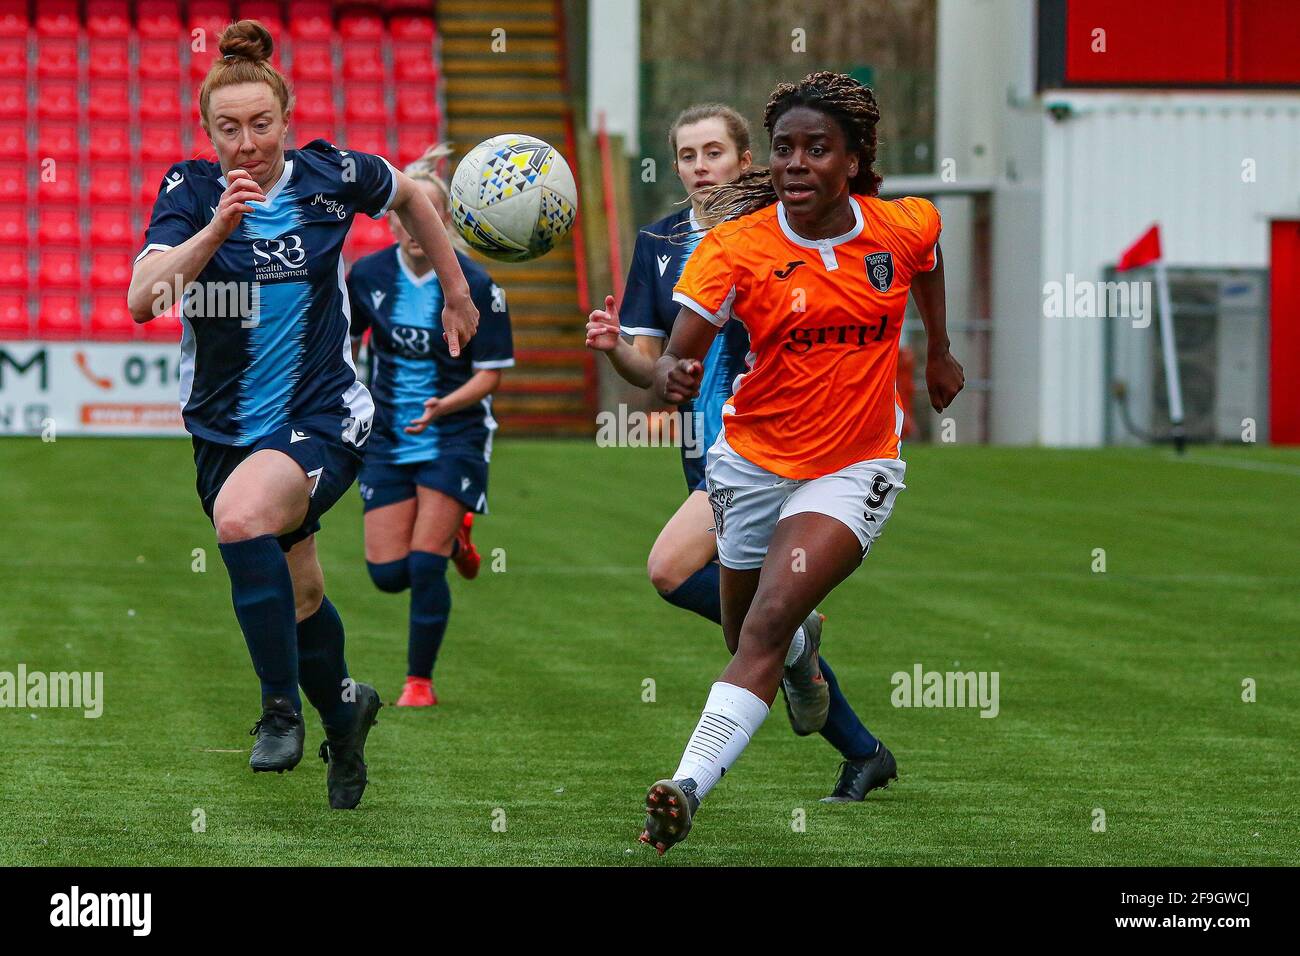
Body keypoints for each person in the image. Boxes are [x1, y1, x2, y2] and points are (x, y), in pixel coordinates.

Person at [125, 20, 479, 809]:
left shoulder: (333, 173)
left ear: (285, 119)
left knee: (244, 517)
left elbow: (415, 196)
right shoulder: (188, 191)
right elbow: (144, 300)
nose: (246, 142)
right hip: (224, 433)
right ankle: (345, 713)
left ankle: (278, 709)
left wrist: (457, 292)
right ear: (208, 130)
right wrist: (218, 225)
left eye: (260, 125)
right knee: (304, 595)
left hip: (323, 417)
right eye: (229, 128)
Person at [639, 72, 965, 854]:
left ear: (852, 160)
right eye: (784, 148)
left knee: (767, 620)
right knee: (746, 634)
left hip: (854, 466)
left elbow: (927, 257)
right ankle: (800, 662)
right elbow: (674, 358)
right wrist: (670, 379)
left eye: (816, 149)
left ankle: (685, 786)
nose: (795, 163)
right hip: (750, 463)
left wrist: (940, 352)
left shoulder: (899, 226)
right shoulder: (733, 247)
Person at [587, 104, 893, 801]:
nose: (701, 167)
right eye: (688, 155)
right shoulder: (659, 243)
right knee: (757, 631)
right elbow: (655, 369)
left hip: (768, 448)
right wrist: (617, 353)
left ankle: (801, 675)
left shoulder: (776, 233)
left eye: (714, 153)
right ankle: (861, 747)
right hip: (707, 455)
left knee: (675, 572)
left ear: (745, 161)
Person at [347, 144, 514, 708]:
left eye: (431, 215)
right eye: (405, 214)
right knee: (388, 575)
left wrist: (444, 405)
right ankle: (454, 537)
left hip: (454, 432)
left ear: (446, 222)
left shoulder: (477, 285)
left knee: (423, 563)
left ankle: (418, 682)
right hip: (388, 435)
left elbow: (490, 375)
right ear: (392, 219)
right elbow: (344, 350)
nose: (417, 226)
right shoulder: (366, 275)